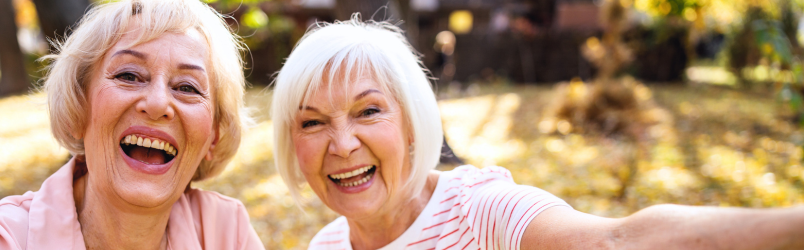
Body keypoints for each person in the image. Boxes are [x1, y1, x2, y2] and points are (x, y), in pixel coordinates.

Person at [270, 18, 804, 250]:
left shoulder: (477, 213)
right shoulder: (327, 244)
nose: (341, 145)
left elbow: (618, 240)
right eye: (313, 122)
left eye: (368, 112)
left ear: (412, 123)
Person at [0, 0, 263, 249]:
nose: (158, 104)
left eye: (187, 88)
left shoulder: (225, 234)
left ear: (214, 136)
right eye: (129, 75)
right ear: (78, 109)